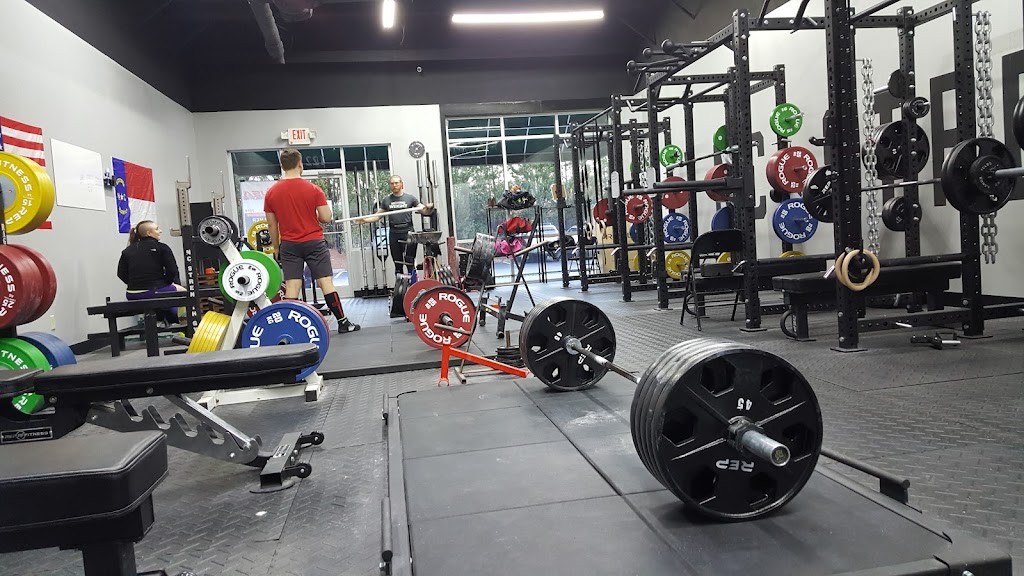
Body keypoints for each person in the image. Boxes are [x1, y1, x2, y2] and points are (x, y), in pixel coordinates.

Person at [264, 149, 360, 334]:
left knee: (292, 286)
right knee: (326, 283)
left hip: (289, 245)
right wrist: (311, 214)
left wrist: (276, 248)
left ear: (282, 166)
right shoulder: (313, 189)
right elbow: (326, 217)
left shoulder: (271, 193)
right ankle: (343, 323)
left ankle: (289, 329)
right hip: (314, 242)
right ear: (300, 164)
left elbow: (271, 225)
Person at [356, 175, 434, 276]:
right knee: (398, 264)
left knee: (410, 262)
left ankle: (413, 283)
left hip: (408, 232)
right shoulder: (386, 200)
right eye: (392, 183)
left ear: (401, 184)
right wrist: (365, 220)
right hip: (394, 234)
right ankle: (400, 285)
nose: (394, 185)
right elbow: (377, 216)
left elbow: (424, 211)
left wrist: (429, 208)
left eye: (396, 183)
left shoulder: (410, 198)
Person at [117, 220, 185, 326]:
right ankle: (176, 322)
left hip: (132, 294)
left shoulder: (127, 251)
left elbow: (121, 274)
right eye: (157, 229)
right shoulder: (162, 247)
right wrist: (165, 283)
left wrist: (135, 284)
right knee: (184, 292)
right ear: (149, 233)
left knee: (166, 293)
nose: (160, 231)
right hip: (153, 291)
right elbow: (172, 271)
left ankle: (160, 320)